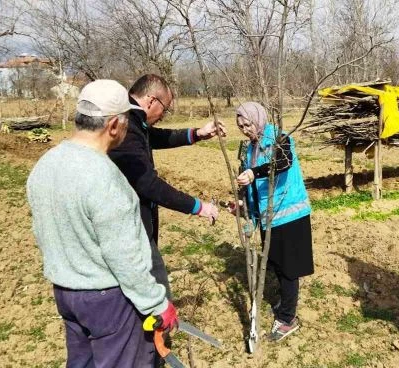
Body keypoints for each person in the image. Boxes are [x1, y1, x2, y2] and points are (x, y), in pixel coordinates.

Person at [27, 80, 178, 367]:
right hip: (109, 302)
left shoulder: (45, 165)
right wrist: (158, 305)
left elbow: (42, 232)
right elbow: (124, 258)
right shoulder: (106, 178)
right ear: (113, 126)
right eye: (126, 122)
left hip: (66, 294)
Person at [108, 74, 225, 298]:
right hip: (130, 226)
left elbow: (155, 137)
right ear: (152, 101)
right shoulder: (124, 123)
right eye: (165, 109)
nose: (163, 116)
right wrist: (198, 207)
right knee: (154, 288)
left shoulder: (132, 120)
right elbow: (148, 184)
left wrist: (197, 134)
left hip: (136, 223)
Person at [232, 102, 313, 342]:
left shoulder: (280, 139)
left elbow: (283, 163)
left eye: (248, 124)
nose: (245, 129)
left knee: (289, 269)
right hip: (268, 219)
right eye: (240, 126)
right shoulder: (250, 149)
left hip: (289, 215)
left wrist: (253, 173)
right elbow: (255, 189)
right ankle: (285, 304)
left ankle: (288, 319)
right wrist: (249, 214)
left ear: (259, 118)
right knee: (277, 264)